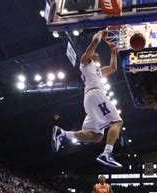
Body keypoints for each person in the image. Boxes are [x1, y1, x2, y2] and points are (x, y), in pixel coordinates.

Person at [52, 30, 123, 169]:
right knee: (118, 122)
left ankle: (63, 134)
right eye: (95, 53)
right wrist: (99, 34)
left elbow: (113, 67)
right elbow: (94, 44)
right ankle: (107, 154)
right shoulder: (85, 63)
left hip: (92, 100)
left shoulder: (97, 71)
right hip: (95, 95)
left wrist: (114, 52)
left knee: (96, 136)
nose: (96, 54)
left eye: (98, 55)